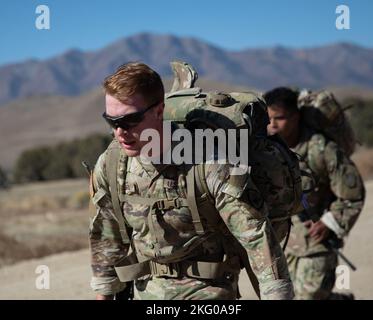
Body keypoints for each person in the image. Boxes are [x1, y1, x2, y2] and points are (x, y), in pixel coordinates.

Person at [88, 62, 294, 300]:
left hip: (208, 293)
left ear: (158, 111)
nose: (119, 132)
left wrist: (277, 295)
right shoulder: (112, 164)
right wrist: (103, 293)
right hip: (146, 292)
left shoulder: (210, 163)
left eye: (130, 120)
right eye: (111, 121)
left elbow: (256, 236)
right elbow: (107, 233)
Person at [263, 87, 365, 300]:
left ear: (296, 116)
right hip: (282, 246)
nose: (272, 124)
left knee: (309, 297)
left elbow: (352, 195)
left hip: (317, 243)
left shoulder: (322, 149)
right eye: (269, 118)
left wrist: (329, 222)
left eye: (279, 118)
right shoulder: (266, 149)